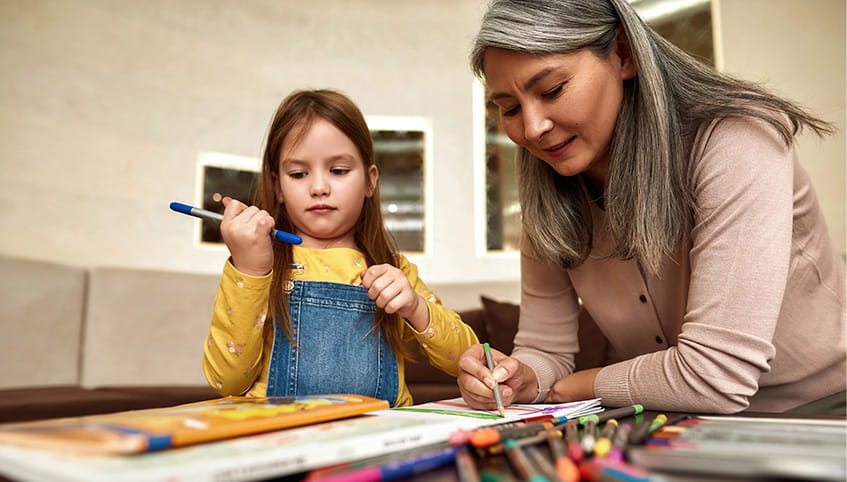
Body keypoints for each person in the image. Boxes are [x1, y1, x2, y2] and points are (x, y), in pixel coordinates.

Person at [457, 0, 846, 415]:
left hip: (824, 412)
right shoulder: (548, 193)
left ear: (623, 54)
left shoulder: (737, 140)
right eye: (510, 108)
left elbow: (714, 375)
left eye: (552, 90)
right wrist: (517, 378)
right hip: (680, 420)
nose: (533, 128)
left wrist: (575, 387)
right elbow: (544, 349)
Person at [202, 89, 478, 407]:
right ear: (277, 186)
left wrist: (415, 307)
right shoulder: (260, 265)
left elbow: (465, 357)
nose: (319, 187)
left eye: (338, 171)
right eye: (298, 174)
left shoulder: (394, 269)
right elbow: (226, 381)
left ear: (370, 181)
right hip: (286, 433)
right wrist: (250, 270)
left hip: (380, 432)